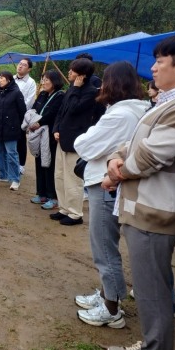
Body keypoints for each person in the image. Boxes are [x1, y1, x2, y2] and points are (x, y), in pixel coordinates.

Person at [103, 34, 175, 350]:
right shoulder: (168, 102)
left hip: (157, 210)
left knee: (153, 290)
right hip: (146, 205)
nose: (152, 68)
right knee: (153, 286)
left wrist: (119, 170)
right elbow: (135, 144)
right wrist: (118, 158)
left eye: (160, 62)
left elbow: (150, 155)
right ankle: (152, 346)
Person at [73, 62, 150, 328]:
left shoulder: (121, 115)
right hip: (106, 181)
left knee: (104, 246)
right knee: (105, 244)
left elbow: (84, 145)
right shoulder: (131, 110)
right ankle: (108, 293)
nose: (101, 86)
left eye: (105, 81)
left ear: (113, 84)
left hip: (105, 185)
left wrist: (90, 136)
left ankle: (111, 308)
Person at [51, 58, 104, 226]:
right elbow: (62, 110)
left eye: (72, 71)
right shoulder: (72, 89)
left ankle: (75, 213)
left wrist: (75, 88)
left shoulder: (90, 92)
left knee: (72, 179)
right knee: (59, 175)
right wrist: (56, 129)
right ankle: (64, 208)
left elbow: (74, 109)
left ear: (82, 75)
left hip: (76, 142)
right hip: (62, 138)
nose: (69, 73)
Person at [28, 70, 64, 208]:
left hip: (50, 134)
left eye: (46, 80)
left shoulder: (60, 96)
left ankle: (52, 196)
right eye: (42, 79)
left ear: (54, 81)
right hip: (38, 134)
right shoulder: (42, 94)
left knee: (49, 164)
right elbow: (35, 108)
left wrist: (39, 123)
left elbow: (53, 113)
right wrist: (32, 121)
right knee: (39, 161)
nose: (43, 82)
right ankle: (41, 193)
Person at [0, 71, 27, 191]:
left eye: (2, 78)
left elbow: (23, 111)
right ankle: (3, 174)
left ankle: (15, 179)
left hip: (11, 129)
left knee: (12, 154)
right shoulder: (0, 93)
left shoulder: (16, 93)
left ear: (8, 80)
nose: (0, 80)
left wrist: (20, 126)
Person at [14, 58, 37, 174]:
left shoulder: (31, 82)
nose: (20, 66)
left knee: (20, 140)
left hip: (21, 115)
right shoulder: (12, 79)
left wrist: (17, 110)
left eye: (24, 65)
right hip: (8, 114)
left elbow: (30, 100)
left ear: (29, 69)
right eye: (20, 64)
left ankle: (21, 164)